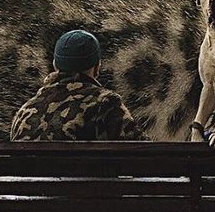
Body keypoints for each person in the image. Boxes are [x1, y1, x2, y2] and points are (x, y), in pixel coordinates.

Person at [10, 30, 147, 141]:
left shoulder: (26, 110)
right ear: (97, 67)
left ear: (55, 65)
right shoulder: (105, 103)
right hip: (82, 175)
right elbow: (143, 152)